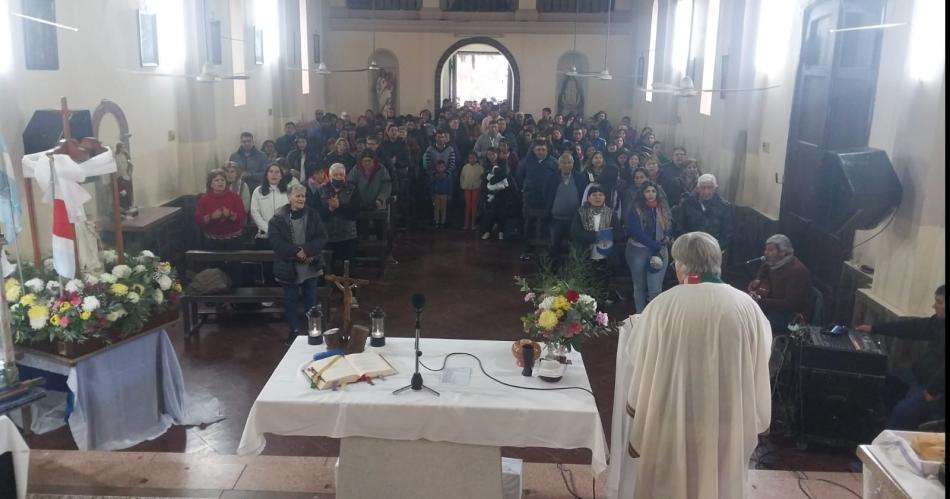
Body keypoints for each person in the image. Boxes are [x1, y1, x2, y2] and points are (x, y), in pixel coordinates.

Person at [624, 231, 771, 499]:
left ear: (680, 264)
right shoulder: (746, 306)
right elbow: (761, 356)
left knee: (667, 476)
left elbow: (638, 356)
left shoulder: (662, 305)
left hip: (672, 414)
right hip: (725, 415)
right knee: (718, 477)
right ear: (718, 262)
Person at [856, 285, 945, 430]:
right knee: (883, 382)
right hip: (918, 375)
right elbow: (912, 327)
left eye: (939, 302)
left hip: (933, 388)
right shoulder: (938, 322)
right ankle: (880, 428)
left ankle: (890, 441)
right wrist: (875, 328)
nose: (934, 306)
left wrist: (933, 390)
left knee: (902, 412)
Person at [268, 183, 328, 345]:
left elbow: (322, 237)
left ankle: (313, 331)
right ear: (289, 197)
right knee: (291, 300)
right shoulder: (278, 218)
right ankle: (293, 331)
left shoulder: (313, 214)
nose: (301, 199)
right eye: (297, 196)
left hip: (310, 265)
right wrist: (296, 251)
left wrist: (308, 251)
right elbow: (276, 243)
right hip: (288, 266)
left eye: (303, 196)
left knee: (311, 301)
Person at [747, 234, 813, 333]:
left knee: (755, 323)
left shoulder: (797, 271)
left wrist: (761, 301)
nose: (766, 253)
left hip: (791, 316)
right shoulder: (772, 264)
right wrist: (756, 283)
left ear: (783, 253)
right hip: (773, 307)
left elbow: (790, 304)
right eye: (766, 249)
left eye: (770, 250)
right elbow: (763, 271)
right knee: (743, 314)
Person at [625, 181, 673, 313]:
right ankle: (640, 316)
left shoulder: (662, 207)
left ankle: (653, 317)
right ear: (642, 193)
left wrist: (667, 236)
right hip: (638, 250)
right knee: (639, 286)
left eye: (653, 191)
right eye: (647, 191)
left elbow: (669, 225)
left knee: (655, 288)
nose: (651, 194)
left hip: (659, 251)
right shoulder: (635, 209)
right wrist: (655, 245)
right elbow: (636, 232)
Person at [570, 184, 620, 304]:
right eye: (594, 195)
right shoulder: (580, 213)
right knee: (586, 288)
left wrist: (607, 236)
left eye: (600, 195)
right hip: (586, 255)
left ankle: (601, 316)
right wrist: (596, 236)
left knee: (602, 289)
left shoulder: (611, 213)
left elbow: (620, 233)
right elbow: (575, 232)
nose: (598, 197)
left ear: (604, 197)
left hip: (605, 257)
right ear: (588, 198)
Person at [543, 152, 589, 267]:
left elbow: (585, 196)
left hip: (575, 220)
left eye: (569, 163)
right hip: (556, 219)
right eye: (563, 163)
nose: (566, 165)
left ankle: (574, 272)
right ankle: (553, 272)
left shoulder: (580, 178)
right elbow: (546, 194)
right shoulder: (552, 178)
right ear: (559, 164)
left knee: (575, 247)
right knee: (554, 245)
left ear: (573, 164)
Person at [516, 140, 558, 260]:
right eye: (538, 149)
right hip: (530, 199)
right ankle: (527, 249)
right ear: (533, 150)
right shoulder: (525, 162)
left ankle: (544, 249)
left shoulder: (554, 163)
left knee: (546, 224)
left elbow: (556, 179)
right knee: (528, 224)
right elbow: (519, 176)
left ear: (547, 150)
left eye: (543, 149)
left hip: (547, 200)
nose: (541, 152)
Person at [316, 163, 362, 273]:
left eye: (341, 174)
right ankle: (328, 288)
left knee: (350, 268)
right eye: (335, 174)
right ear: (330, 176)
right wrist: (329, 209)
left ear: (345, 176)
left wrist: (339, 206)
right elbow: (314, 213)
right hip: (326, 236)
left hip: (347, 236)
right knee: (325, 267)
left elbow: (356, 212)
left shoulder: (353, 189)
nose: (338, 177)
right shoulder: (320, 190)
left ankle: (350, 289)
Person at [673, 173, 733, 252]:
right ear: (697, 188)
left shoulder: (724, 206)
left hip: (713, 250)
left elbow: (727, 234)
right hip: (690, 248)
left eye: (710, 188)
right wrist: (689, 243)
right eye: (703, 188)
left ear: (715, 189)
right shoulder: (687, 204)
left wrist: (714, 247)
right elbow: (679, 226)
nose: (706, 191)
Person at [250, 163, 293, 248]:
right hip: (264, 236)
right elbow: (255, 212)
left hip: (284, 236)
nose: (274, 174)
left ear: (281, 176)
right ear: (266, 175)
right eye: (271, 172)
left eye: (277, 172)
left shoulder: (289, 190)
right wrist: (269, 229)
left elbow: (293, 211)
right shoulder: (258, 191)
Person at [480, 152, 514, 241]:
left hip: (502, 196)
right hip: (490, 196)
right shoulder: (487, 169)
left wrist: (500, 189)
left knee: (502, 214)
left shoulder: (505, 171)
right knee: (489, 215)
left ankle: (501, 232)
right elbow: (484, 181)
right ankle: (487, 231)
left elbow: (509, 183)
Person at [459, 151, 484, 231]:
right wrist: (463, 185)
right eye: (470, 158)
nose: (471, 160)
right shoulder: (465, 167)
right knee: (467, 206)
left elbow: (482, 179)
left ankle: (473, 224)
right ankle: (466, 224)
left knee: (474, 207)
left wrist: (479, 186)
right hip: (467, 189)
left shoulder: (480, 168)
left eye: (473, 158)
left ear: (476, 159)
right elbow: (462, 177)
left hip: (476, 189)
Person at [430, 160, 452, 229]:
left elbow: (450, 186)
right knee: (436, 209)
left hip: (444, 195)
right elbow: (432, 186)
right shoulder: (434, 176)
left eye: (442, 167)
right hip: (436, 195)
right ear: (436, 167)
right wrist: (432, 194)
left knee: (443, 209)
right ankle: (436, 222)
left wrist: (449, 194)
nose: (440, 168)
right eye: (439, 167)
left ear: (445, 167)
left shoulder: (447, 176)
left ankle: (443, 222)